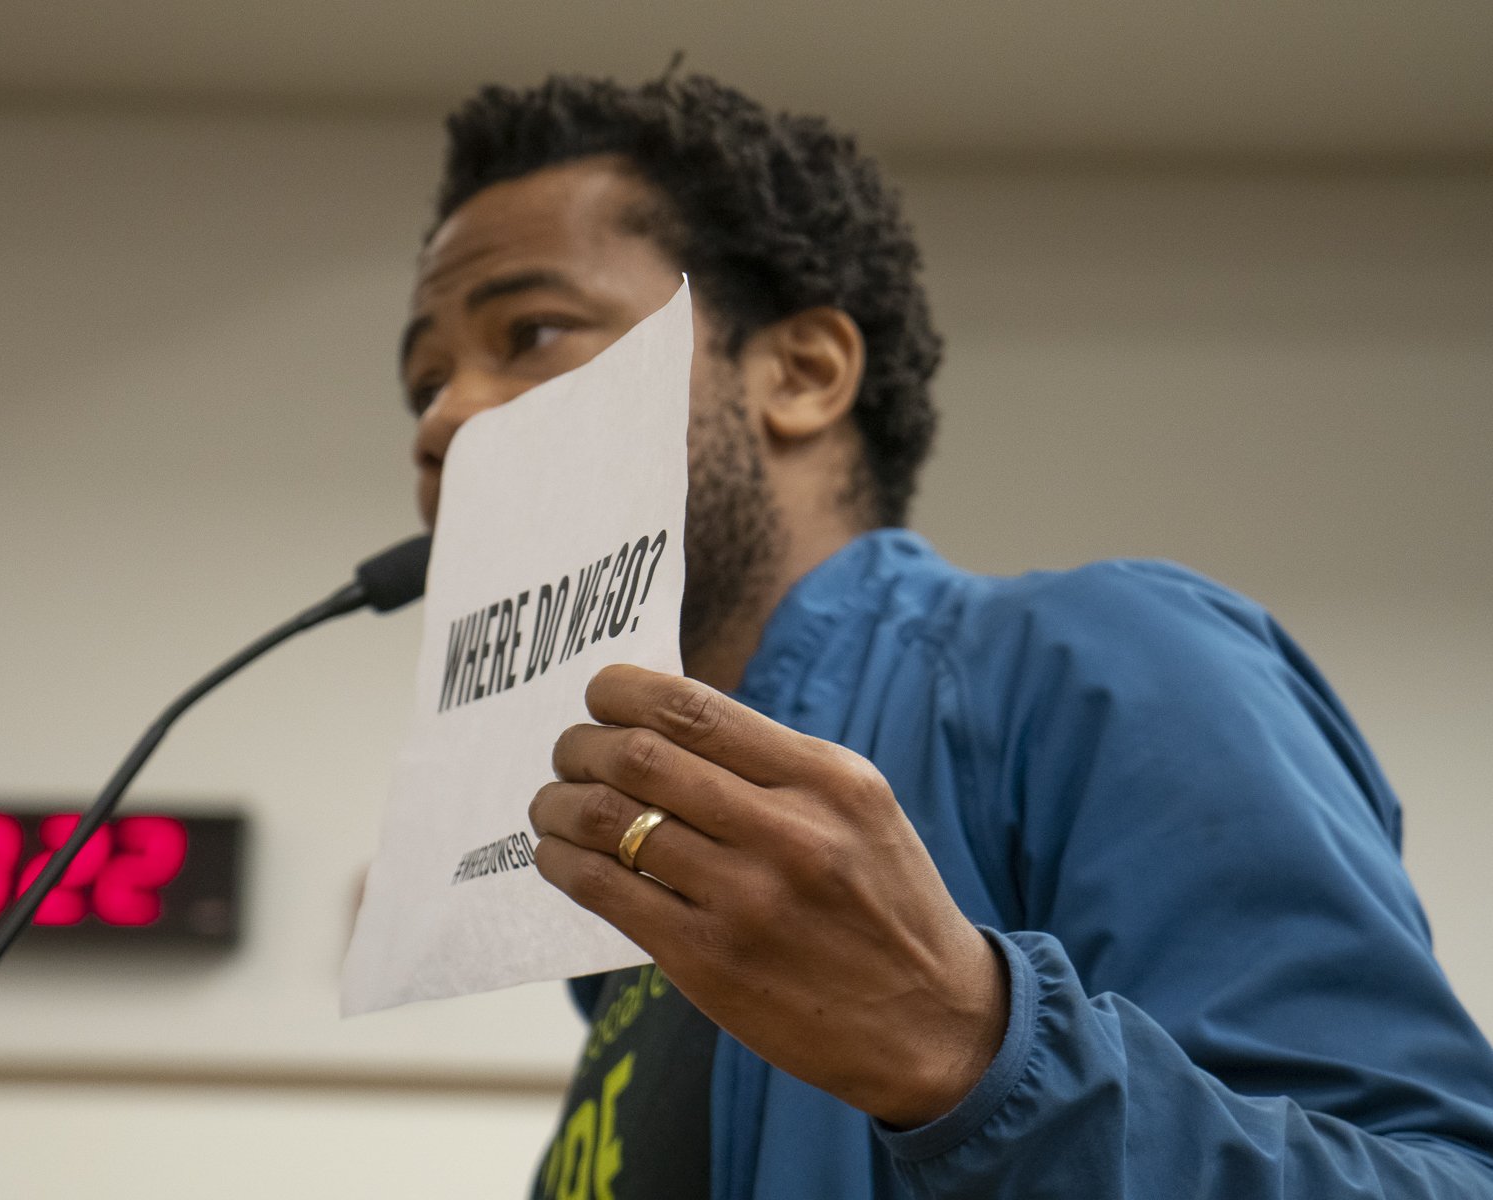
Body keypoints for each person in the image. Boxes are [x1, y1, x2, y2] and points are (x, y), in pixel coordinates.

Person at [395, 72, 1493, 1198]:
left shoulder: (1108, 663)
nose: (440, 421)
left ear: (803, 374)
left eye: (529, 332)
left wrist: (968, 1055)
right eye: (422, 385)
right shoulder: (634, 903)